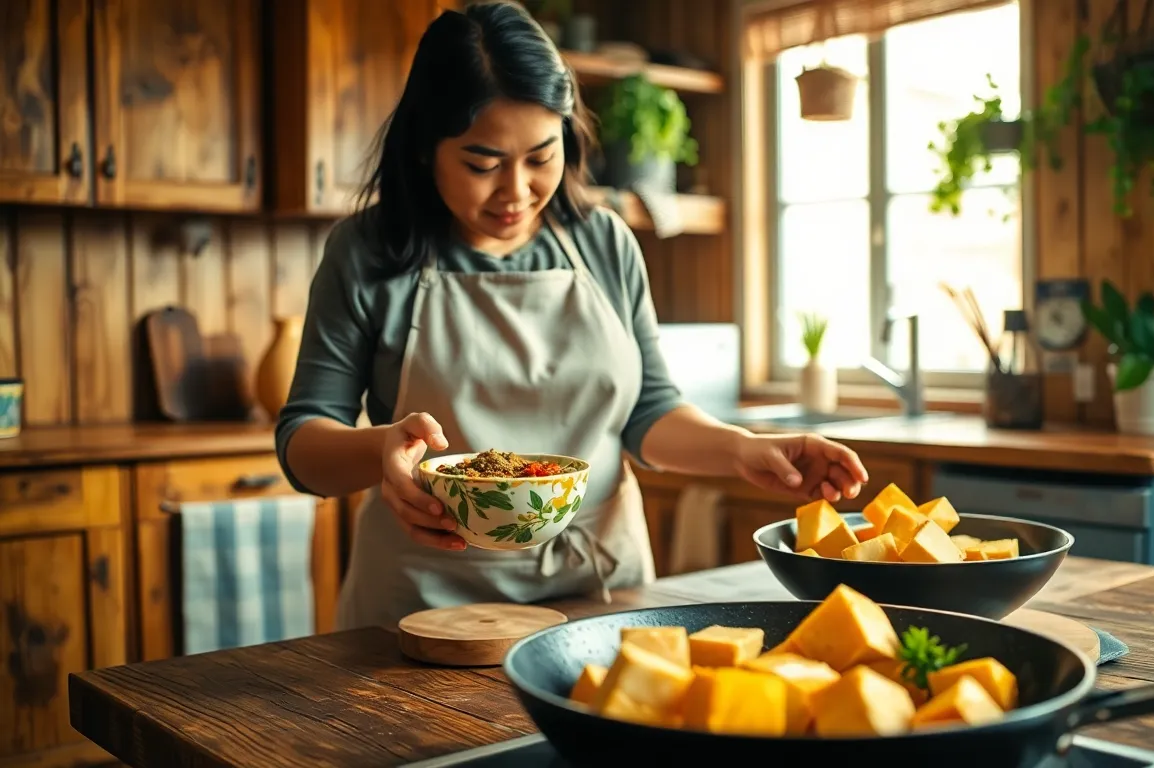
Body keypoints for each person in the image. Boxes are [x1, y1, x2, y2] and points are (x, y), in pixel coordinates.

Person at [275, 0, 869, 631]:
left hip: (600, 589)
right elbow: (303, 440)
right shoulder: (367, 252)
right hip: (428, 602)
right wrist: (380, 450)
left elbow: (649, 414)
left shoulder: (603, 241)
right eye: (482, 164)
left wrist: (743, 449)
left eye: (541, 157)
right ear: (426, 147)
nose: (517, 192)